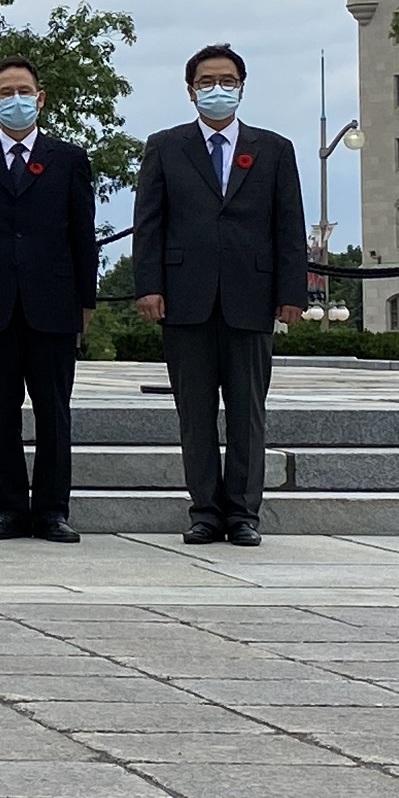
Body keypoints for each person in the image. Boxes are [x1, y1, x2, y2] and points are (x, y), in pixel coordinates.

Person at [133, 43, 306, 546]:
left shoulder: (274, 149)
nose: (217, 89)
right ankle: (205, 511)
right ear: (191, 91)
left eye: (227, 81)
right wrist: (149, 286)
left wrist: (291, 292)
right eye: (207, 82)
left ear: (242, 87)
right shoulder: (166, 146)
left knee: (248, 412)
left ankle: (243, 513)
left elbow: (289, 226)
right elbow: (149, 223)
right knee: (195, 412)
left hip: (251, 297)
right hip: (185, 297)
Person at [0, 58, 98, 544]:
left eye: (25, 90)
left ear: (40, 97)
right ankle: (9, 509)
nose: (17, 99)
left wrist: (85, 302)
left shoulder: (68, 159)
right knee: (1, 412)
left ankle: (52, 510)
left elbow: (83, 236)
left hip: (53, 302)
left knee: (53, 412)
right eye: (7, 92)